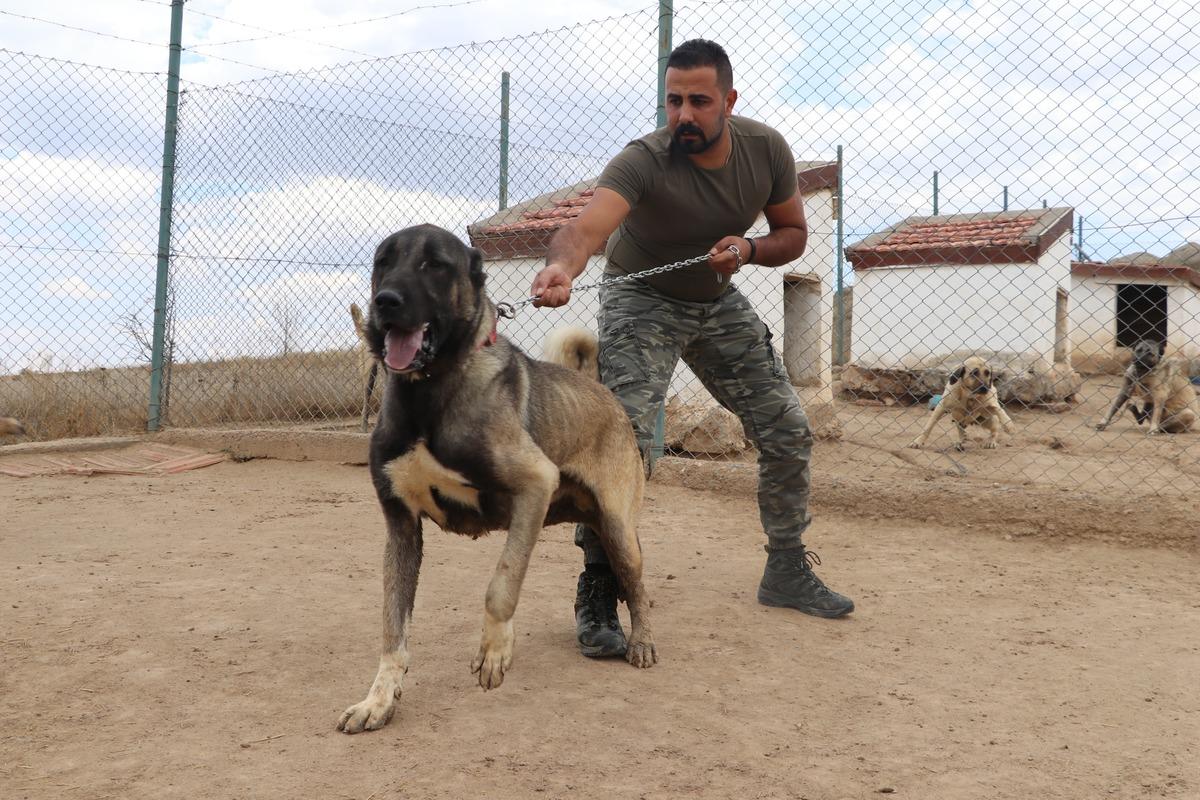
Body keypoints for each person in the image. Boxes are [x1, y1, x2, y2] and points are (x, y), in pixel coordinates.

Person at [531, 39, 854, 659]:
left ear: (729, 101)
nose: (683, 114)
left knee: (787, 428)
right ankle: (599, 587)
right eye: (674, 100)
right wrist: (561, 268)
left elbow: (792, 235)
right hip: (641, 301)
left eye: (699, 101)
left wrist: (750, 250)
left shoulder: (765, 151)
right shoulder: (644, 160)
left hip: (715, 298)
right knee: (625, 446)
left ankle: (785, 568)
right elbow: (585, 229)